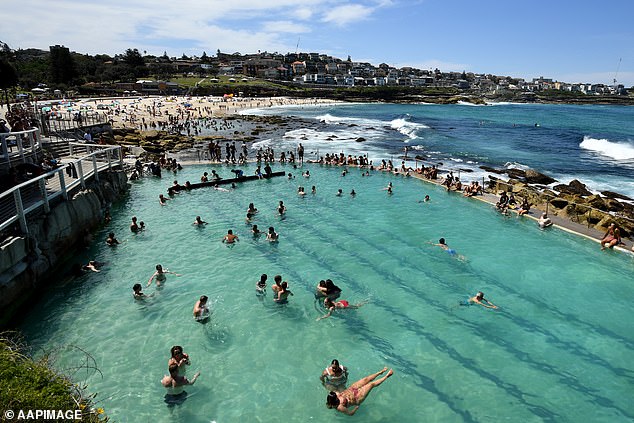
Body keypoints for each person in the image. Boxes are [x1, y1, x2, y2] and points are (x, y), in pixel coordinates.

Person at [326, 367, 394, 415]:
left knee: (366, 379)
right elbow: (350, 413)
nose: (336, 394)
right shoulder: (340, 407)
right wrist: (356, 408)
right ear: (334, 400)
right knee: (371, 384)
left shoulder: (335, 394)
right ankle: (387, 376)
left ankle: (380, 372)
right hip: (357, 398)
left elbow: (337, 390)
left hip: (351, 389)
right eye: (336, 396)